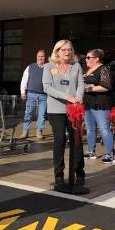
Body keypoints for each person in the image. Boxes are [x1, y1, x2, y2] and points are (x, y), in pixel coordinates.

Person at [42, 40, 85, 192]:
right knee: (60, 139)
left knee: (77, 140)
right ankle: (59, 177)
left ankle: (79, 174)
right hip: (56, 109)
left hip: (74, 109)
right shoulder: (48, 67)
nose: (67, 52)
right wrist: (68, 97)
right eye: (64, 49)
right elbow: (47, 87)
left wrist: (78, 98)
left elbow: (80, 84)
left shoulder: (77, 66)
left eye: (70, 49)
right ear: (57, 51)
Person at [82, 49, 115, 164]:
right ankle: (91, 151)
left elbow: (106, 86)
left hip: (101, 104)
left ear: (96, 59)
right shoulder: (88, 69)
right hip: (88, 103)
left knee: (104, 129)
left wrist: (89, 88)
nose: (86, 59)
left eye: (88, 57)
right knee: (90, 128)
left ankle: (110, 155)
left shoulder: (103, 69)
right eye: (86, 57)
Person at [20, 49, 48, 139]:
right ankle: (25, 132)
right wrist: (23, 92)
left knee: (42, 115)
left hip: (43, 95)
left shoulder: (48, 68)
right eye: (39, 56)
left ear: (45, 58)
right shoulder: (30, 67)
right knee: (28, 113)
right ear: (36, 57)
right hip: (31, 94)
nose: (40, 58)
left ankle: (39, 132)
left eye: (42, 56)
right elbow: (24, 79)